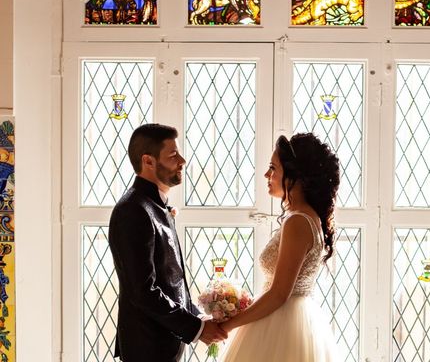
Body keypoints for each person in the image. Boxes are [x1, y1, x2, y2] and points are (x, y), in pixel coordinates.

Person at [108, 123, 227, 361]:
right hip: (147, 348)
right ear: (148, 161)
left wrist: (198, 317)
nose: (182, 160)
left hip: (163, 345)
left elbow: (170, 279)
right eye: (173, 155)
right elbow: (143, 290)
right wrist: (197, 329)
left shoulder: (156, 206)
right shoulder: (133, 210)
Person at [219, 132, 340, 361]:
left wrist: (229, 325)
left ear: (296, 175)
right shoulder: (307, 217)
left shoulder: (298, 221)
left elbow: (278, 294)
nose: (267, 174)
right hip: (295, 320)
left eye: (273, 168)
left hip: (281, 324)